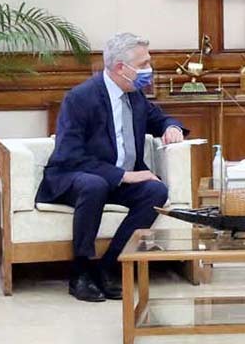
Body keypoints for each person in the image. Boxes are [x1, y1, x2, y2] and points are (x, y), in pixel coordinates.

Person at [36, 33, 186, 302]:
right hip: (74, 177)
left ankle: (108, 267)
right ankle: (80, 272)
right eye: (143, 64)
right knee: (95, 184)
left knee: (155, 191)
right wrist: (124, 175)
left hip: (116, 181)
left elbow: (159, 118)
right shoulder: (80, 98)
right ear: (121, 68)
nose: (148, 70)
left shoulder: (134, 95)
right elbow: (70, 156)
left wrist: (171, 127)